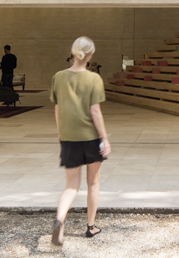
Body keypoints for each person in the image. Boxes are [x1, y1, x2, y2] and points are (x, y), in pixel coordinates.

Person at [50, 36, 111, 246]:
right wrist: (104, 138)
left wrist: (60, 134)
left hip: (69, 138)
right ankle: (91, 227)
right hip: (91, 138)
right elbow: (95, 111)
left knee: (71, 186)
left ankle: (59, 219)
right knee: (93, 183)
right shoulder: (94, 79)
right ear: (91, 55)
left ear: (73, 52)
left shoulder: (58, 77)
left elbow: (57, 108)